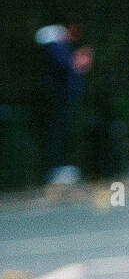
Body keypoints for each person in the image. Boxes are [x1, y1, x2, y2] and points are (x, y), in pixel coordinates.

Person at [34, 23, 93, 185]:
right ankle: (54, 169)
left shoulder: (61, 46)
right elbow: (65, 66)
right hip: (57, 98)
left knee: (63, 132)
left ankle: (59, 167)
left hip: (64, 98)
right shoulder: (52, 44)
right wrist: (77, 60)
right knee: (56, 133)